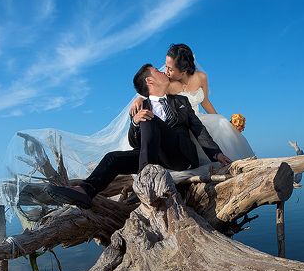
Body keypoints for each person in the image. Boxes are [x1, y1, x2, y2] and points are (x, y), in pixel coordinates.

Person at [45, 64, 232, 209]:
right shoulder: (140, 107)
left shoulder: (181, 101)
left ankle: (144, 182)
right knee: (112, 158)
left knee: (149, 119)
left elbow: (199, 130)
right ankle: (85, 191)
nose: (163, 72)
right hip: (155, 157)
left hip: (182, 156)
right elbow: (135, 143)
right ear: (150, 81)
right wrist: (135, 122)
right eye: (157, 71)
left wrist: (216, 154)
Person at [130, 43, 255, 163]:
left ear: (183, 71)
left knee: (221, 123)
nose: (166, 72)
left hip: (196, 119)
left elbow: (205, 102)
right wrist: (139, 99)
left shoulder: (201, 77)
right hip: (181, 123)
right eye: (166, 66)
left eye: (170, 69)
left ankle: (223, 158)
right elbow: (153, 95)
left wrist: (222, 120)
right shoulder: (167, 83)